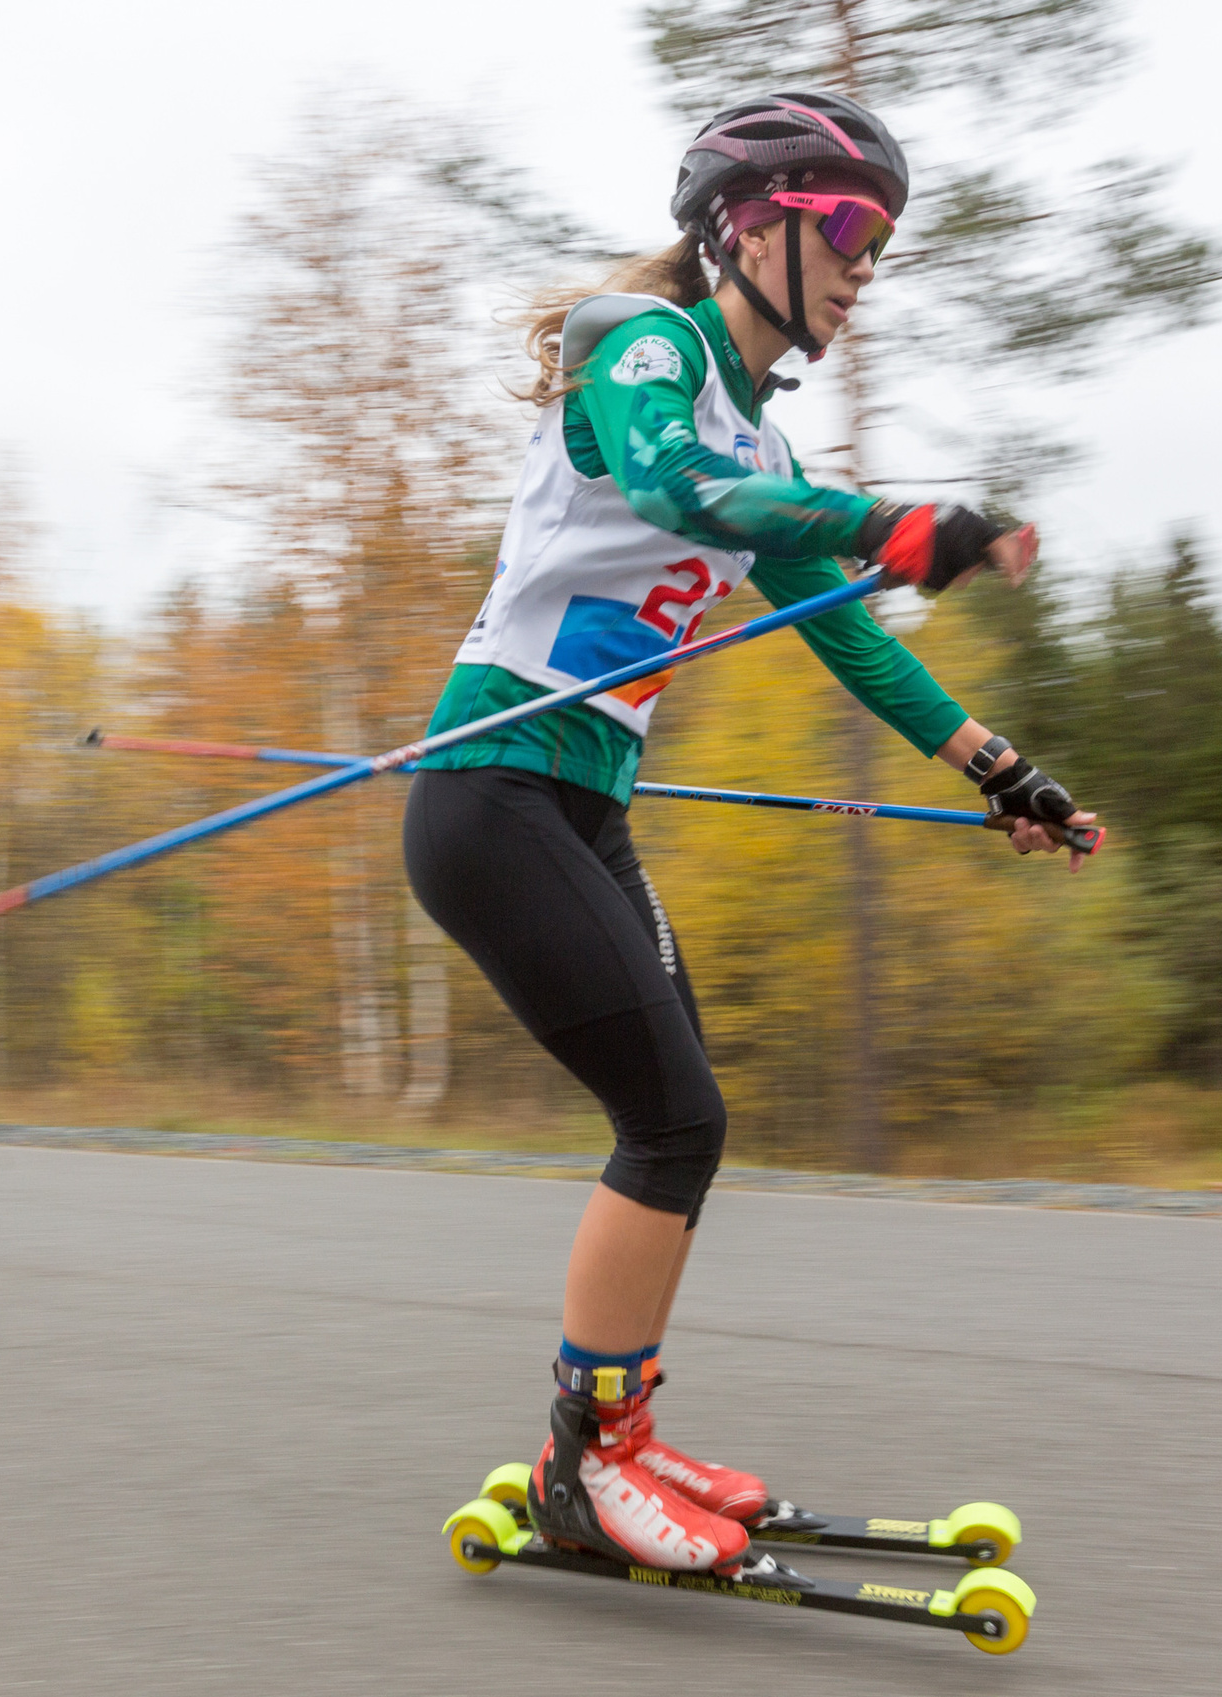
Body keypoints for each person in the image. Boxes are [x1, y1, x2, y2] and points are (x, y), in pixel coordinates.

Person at [403, 91, 1099, 1577]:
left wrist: (1002, 770)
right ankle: (590, 1475)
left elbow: (848, 640)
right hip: (495, 789)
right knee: (674, 1120)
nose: (867, 263)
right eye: (845, 227)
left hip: (583, 805)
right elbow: (668, 483)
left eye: (883, 239)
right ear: (749, 223)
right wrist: (899, 524)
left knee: (683, 1113)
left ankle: (613, 1444)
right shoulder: (645, 356)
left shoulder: (767, 450)